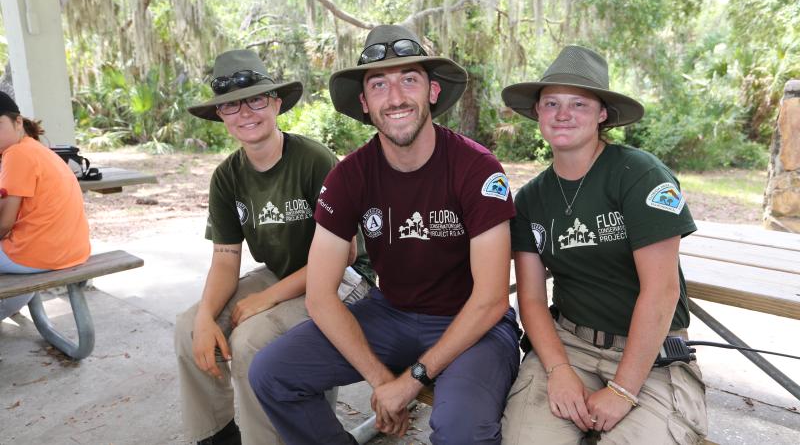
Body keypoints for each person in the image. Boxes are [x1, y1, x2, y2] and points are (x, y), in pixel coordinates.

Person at [248, 24, 521, 444]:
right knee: (271, 373)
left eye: (409, 80)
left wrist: (410, 381)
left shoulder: (476, 168)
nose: (395, 98)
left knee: (461, 430)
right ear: (364, 102)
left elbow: (490, 299)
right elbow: (321, 296)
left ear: (431, 91)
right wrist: (381, 382)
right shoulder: (349, 175)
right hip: (390, 314)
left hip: (472, 323)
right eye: (379, 85)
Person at [500, 46, 708, 444]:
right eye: (552, 103)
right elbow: (530, 298)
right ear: (538, 114)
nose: (563, 114)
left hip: (650, 355)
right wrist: (558, 370)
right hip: (570, 345)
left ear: (602, 114)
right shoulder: (529, 199)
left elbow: (662, 291)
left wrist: (623, 390)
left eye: (579, 103)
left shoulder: (638, 174)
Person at [174, 49, 374, 445]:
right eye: (231, 105)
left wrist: (267, 299)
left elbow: (346, 254)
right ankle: (217, 435)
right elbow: (225, 260)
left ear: (276, 103)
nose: (245, 112)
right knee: (187, 327)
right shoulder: (227, 176)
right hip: (282, 273)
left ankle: (271, 439)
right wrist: (205, 318)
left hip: (344, 280)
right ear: (220, 116)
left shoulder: (313, 160)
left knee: (252, 339)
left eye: (256, 99)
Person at [0, 91, 90, 320]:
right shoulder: (35, 148)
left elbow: (4, 224)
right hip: (72, 250)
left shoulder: (16, 154)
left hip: (42, 254)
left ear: (17, 122)